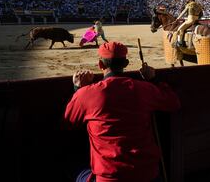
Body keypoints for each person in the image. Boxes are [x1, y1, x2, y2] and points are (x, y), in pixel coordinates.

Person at [64, 42, 181, 182]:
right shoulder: (144, 88)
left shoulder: (87, 93)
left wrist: (78, 89)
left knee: (72, 166)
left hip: (110, 178)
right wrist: (153, 79)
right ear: (126, 64)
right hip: (147, 175)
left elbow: (68, 121)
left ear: (100, 65)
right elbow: (173, 103)